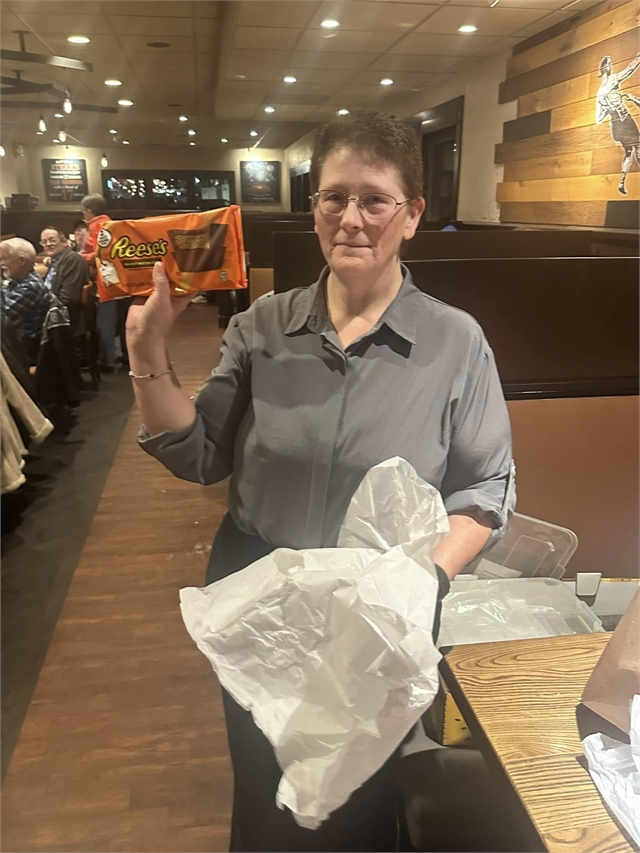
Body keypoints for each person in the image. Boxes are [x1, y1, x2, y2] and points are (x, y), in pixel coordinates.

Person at [126, 111, 515, 852]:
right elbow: (199, 453)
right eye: (334, 198)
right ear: (315, 210)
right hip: (260, 593)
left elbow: (485, 488)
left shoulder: (455, 340)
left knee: (361, 796)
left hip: (381, 606)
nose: (351, 219)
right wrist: (148, 353)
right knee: (262, 779)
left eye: (374, 199)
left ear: (412, 215)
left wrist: (423, 580)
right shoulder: (261, 326)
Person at [79, 193, 116, 371]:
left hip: (103, 281)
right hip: (110, 279)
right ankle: (108, 358)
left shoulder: (97, 226)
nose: (82, 215)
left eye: (83, 212)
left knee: (104, 322)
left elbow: (101, 255)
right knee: (108, 320)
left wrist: (80, 257)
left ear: (89, 211)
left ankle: (107, 361)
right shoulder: (108, 223)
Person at [1, 237, 51, 365]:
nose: (1, 263)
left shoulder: (29, 287)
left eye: (3, 259)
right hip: (14, 344)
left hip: (22, 351)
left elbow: (2, 319)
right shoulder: (19, 280)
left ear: (22, 261)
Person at [596, 52, 640, 195]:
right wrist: (638, 58)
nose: (611, 66)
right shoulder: (613, 79)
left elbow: (599, 118)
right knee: (638, 145)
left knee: (628, 152)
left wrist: (608, 108)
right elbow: (629, 70)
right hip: (624, 119)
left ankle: (621, 180)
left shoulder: (599, 92)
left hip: (616, 126)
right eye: (609, 64)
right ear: (605, 68)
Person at [40, 226, 90, 333]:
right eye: (44, 242)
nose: (48, 244)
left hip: (63, 320)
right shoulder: (55, 260)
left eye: (52, 240)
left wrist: (40, 309)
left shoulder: (73, 260)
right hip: (48, 309)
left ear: (64, 242)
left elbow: (68, 299)